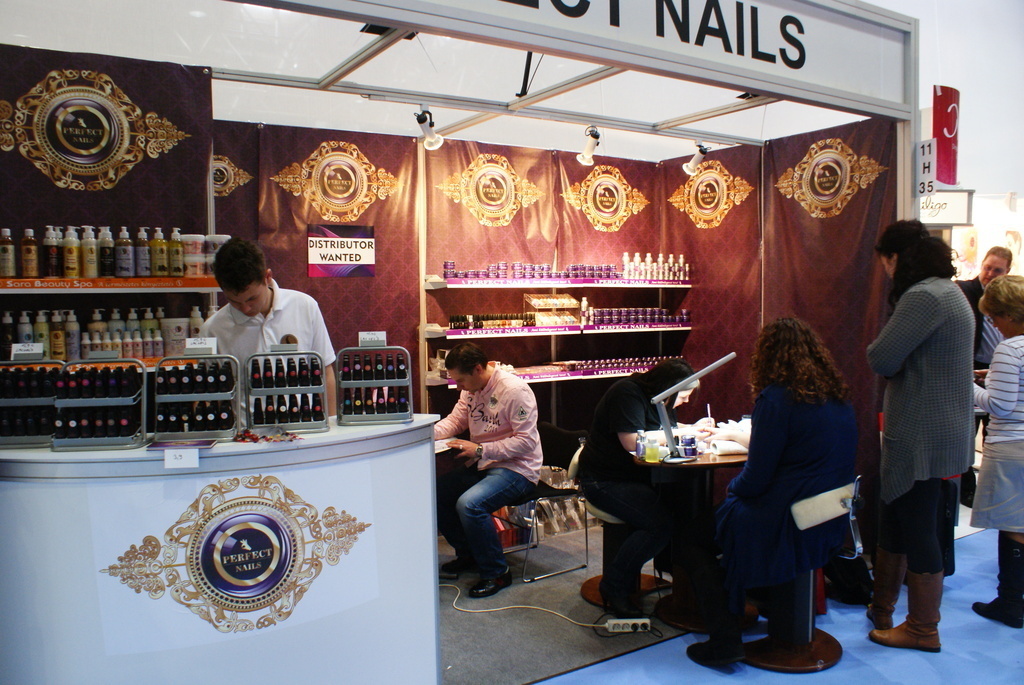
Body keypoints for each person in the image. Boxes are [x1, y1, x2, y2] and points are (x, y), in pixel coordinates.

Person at [686, 318, 857, 667]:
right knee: (717, 526)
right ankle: (760, 605)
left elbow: (756, 479)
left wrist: (732, 489)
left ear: (766, 356)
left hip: (787, 515)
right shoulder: (837, 397)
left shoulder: (776, 399)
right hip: (832, 511)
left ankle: (724, 640)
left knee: (691, 539)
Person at [866, 219, 975, 653]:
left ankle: (922, 628)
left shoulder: (924, 296)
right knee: (900, 517)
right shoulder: (949, 291)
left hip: (920, 430)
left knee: (917, 527)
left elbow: (881, 357)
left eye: (884, 262)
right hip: (939, 426)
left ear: (894, 257)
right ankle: (883, 609)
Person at [576, 358, 710, 619]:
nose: (684, 402)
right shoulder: (627, 393)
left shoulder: (659, 400)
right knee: (659, 525)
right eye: (683, 396)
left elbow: (664, 429)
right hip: (604, 480)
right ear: (669, 388)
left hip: (634, 478)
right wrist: (685, 434)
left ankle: (685, 587)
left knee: (678, 515)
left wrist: (694, 429)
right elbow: (631, 441)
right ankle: (614, 585)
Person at [434, 342, 541, 598]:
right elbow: (456, 420)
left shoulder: (515, 391)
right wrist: (424, 434)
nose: (458, 386)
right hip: (484, 462)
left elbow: (526, 442)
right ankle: (469, 554)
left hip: (518, 469)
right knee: (436, 494)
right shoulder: (471, 389)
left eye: (460, 380)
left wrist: (481, 450)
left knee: (470, 505)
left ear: (478, 369)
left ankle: (497, 572)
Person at [200, 237, 337, 415]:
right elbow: (210, 395)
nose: (245, 308)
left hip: (305, 426)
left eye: (252, 298)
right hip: (247, 431)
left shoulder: (305, 306)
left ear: (267, 277)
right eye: (235, 301)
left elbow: (325, 370)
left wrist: (331, 423)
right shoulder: (212, 329)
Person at [968, 274, 1024, 629]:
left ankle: (1010, 603)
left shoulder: (1009, 349)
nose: (994, 325)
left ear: (1009, 314)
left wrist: (968, 386)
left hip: (1011, 448)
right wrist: (991, 376)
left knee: (1012, 525)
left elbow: (1000, 406)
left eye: (995, 317)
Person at [957, 246, 1012, 505]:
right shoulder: (964, 291)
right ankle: (968, 488)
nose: (989, 274)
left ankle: (993, 487)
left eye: (997, 270)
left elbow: (1000, 406)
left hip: (998, 367)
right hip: (973, 366)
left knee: (994, 432)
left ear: (1007, 271)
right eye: (987, 267)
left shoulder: (1009, 296)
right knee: (968, 433)